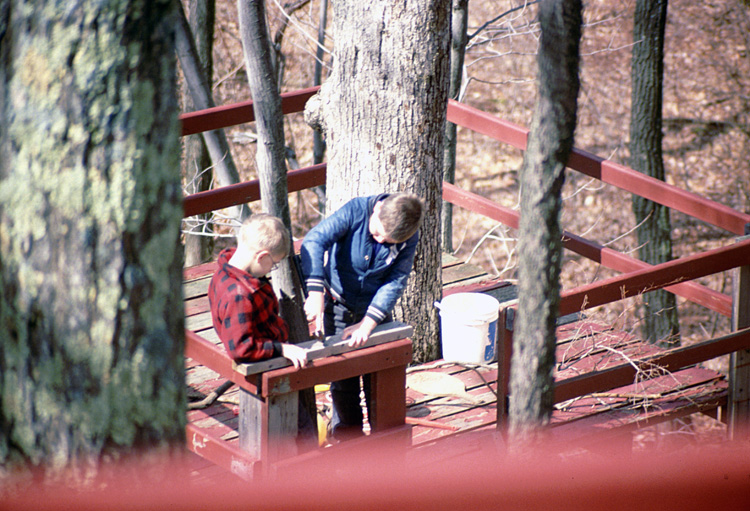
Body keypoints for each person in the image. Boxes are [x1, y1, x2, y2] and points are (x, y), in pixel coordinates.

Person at [300, 192, 424, 441]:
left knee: (379, 377)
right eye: (377, 234)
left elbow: (395, 280)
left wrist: (367, 324)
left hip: (374, 312)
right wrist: (315, 292)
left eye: (387, 241)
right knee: (343, 383)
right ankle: (347, 441)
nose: (379, 241)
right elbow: (313, 241)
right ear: (377, 210)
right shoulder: (355, 210)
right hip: (337, 305)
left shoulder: (408, 236)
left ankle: (383, 445)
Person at [208, 213, 308, 369]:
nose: (271, 270)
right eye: (273, 264)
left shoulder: (223, 272)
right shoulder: (239, 296)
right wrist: (281, 348)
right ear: (261, 257)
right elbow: (242, 349)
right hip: (262, 364)